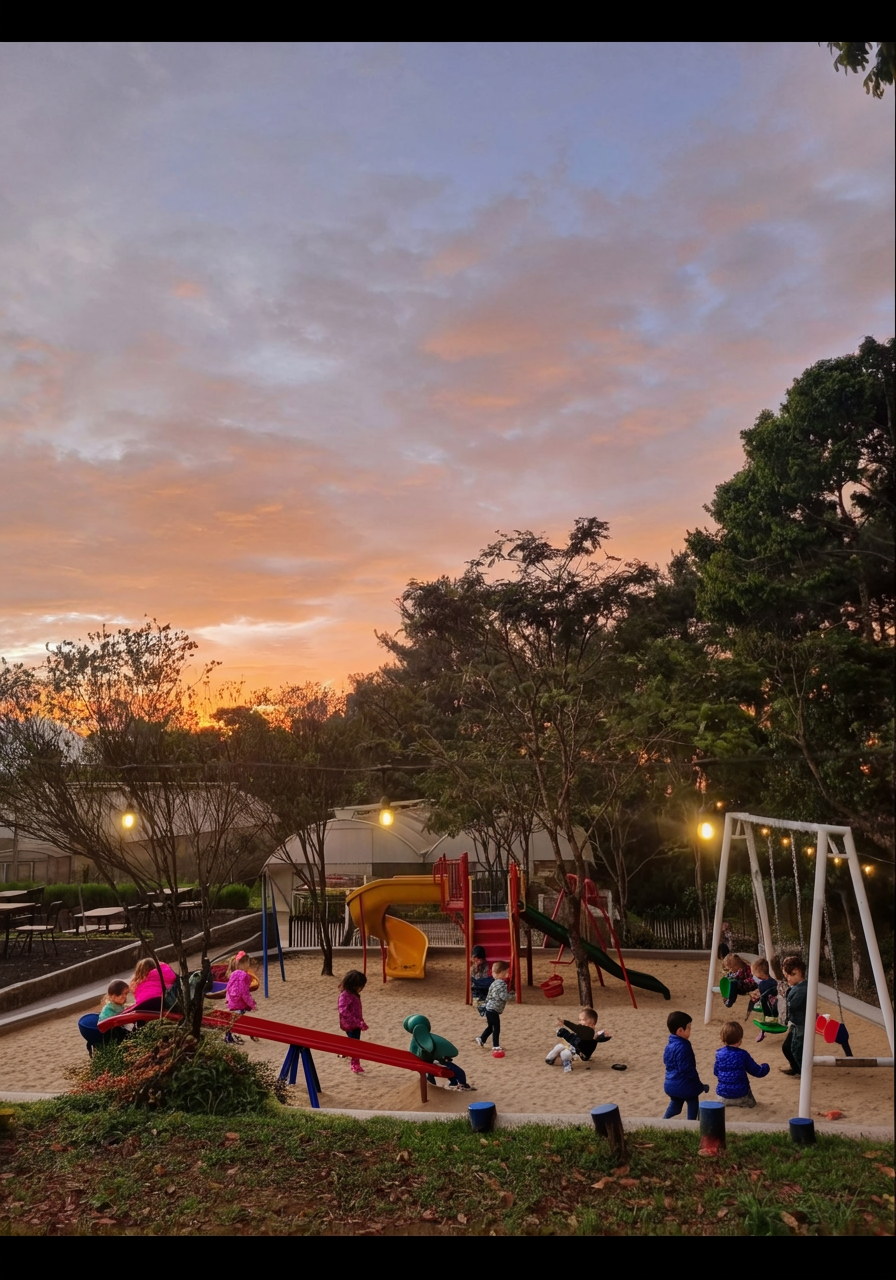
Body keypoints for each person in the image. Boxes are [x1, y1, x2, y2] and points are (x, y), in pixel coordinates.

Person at [404, 1014, 475, 1091]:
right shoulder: (425, 1039)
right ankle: (461, 1084)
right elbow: (429, 1049)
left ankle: (453, 1083)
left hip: (430, 1060)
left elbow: (414, 1051)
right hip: (435, 1060)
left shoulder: (417, 1039)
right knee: (458, 1072)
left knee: (450, 1072)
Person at [662, 1010, 709, 1120]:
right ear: (680, 1030)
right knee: (693, 1098)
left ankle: (663, 1121)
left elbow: (666, 1062)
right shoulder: (684, 1046)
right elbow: (687, 1070)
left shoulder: (669, 1045)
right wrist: (700, 1086)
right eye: (689, 1028)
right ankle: (691, 1123)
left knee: (676, 1105)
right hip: (684, 1086)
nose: (690, 1031)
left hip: (670, 1085)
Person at [714, 1020, 770, 1107]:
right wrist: (765, 1067)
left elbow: (716, 1072)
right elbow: (757, 1071)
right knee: (751, 1102)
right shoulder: (743, 1054)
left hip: (722, 1096)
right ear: (740, 1039)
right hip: (741, 1095)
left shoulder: (719, 1054)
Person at [545, 1007, 612, 1073]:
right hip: (574, 1048)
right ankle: (550, 1059)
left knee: (565, 1052)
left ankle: (566, 1065)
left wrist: (604, 1036)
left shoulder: (590, 1033)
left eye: (581, 1020)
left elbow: (597, 1038)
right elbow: (574, 1037)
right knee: (560, 1046)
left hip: (580, 1054)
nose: (579, 1022)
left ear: (590, 1022)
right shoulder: (585, 1032)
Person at [780, 956, 808, 1076]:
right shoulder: (796, 987)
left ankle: (803, 1071)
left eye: (789, 976)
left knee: (796, 1049)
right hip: (795, 1022)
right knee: (787, 1047)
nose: (787, 979)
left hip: (801, 1024)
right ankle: (796, 1068)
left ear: (797, 972)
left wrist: (782, 1001)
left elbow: (793, 1005)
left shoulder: (803, 990)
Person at [474, 959, 510, 1051]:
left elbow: (489, 995)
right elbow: (503, 996)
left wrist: (485, 1005)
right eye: (507, 972)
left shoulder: (493, 983)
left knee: (491, 1027)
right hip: (494, 1009)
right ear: (502, 973)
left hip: (489, 1008)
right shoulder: (502, 984)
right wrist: (510, 995)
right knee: (496, 1027)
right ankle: (496, 1045)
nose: (508, 974)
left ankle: (482, 1039)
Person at [224, 951, 258, 1045]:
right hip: (239, 1003)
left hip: (232, 1002)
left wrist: (228, 1000)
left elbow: (228, 988)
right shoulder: (243, 976)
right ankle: (230, 1036)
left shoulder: (233, 974)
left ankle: (229, 1036)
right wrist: (251, 1004)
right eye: (248, 964)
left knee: (234, 1020)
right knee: (237, 1021)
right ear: (244, 964)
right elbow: (244, 993)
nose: (248, 966)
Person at [338, 970, 369, 1074]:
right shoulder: (345, 995)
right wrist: (358, 1022)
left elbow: (356, 1010)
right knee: (356, 1045)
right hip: (350, 1024)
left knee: (354, 1042)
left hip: (355, 1024)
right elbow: (343, 1010)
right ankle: (355, 1065)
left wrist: (360, 1021)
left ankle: (345, 1052)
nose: (361, 989)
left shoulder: (353, 994)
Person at [747, 958, 780, 1042]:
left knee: (764, 1011)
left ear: (760, 973)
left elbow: (761, 996)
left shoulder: (762, 984)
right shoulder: (773, 981)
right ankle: (763, 1030)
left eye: (754, 973)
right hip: (776, 1005)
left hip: (769, 1008)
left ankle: (763, 1030)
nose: (753, 975)